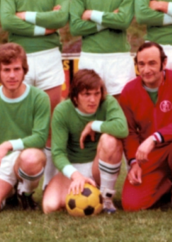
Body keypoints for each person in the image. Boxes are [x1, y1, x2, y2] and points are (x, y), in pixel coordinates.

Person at [0, 0, 70, 189]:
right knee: (20, 124)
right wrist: (45, 25)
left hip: (50, 59)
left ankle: (49, 184)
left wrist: (25, 16)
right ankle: (20, 186)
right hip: (20, 60)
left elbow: (61, 19)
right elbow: (8, 21)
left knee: (51, 123)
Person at [118, 42, 172, 212]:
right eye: (141, 64)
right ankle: (167, 187)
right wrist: (134, 162)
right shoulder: (129, 90)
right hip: (150, 156)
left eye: (152, 63)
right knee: (132, 205)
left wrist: (155, 138)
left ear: (164, 63)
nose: (146, 70)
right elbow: (129, 132)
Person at [0, 43, 51, 215]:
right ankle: (8, 193)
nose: (12, 75)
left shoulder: (39, 97)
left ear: (24, 70)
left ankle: (26, 193)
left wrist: (7, 144)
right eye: (6, 70)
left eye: (17, 69)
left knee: (31, 158)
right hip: (2, 161)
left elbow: (40, 138)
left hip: (28, 154)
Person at [42, 69, 127, 214]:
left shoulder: (107, 102)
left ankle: (106, 198)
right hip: (74, 167)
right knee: (50, 206)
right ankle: (85, 189)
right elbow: (58, 153)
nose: (93, 100)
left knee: (110, 140)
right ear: (75, 97)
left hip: (98, 166)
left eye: (96, 93)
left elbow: (122, 129)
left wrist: (93, 125)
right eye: (86, 94)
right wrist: (76, 176)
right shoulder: (62, 110)